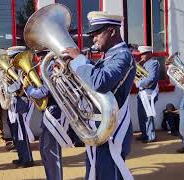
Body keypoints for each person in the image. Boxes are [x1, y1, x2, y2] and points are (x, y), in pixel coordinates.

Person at [63, 11, 136, 180]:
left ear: (112, 31)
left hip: (112, 129)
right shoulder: (109, 56)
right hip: (101, 126)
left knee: (108, 173)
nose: (93, 39)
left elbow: (100, 82)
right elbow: (90, 83)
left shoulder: (123, 55)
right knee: (96, 172)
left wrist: (79, 59)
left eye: (97, 33)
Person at [25, 52, 74, 180]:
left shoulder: (53, 66)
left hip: (55, 114)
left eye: (41, 56)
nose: (39, 59)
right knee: (45, 150)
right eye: (38, 56)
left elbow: (44, 92)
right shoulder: (46, 67)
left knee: (52, 151)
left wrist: (28, 89)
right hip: (48, 113)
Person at [6, 50, 34, 168]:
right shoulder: (13, 71)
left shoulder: (24, 70)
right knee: (16, 133)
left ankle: (27, 159)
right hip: (14, 104)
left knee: (22, 132)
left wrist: (9, 88)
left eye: (12, 58)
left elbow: (20, 86)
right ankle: (21, 156)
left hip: (22, 103)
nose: (11, 61)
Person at [135, 46, 160, 143]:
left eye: (143, 54)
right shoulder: (144, 63)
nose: (141, 56)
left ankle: (151, 136)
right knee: (141, 115)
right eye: (141, 54)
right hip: (142, 92)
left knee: (148, 115)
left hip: (149, 93)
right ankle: (144, 134)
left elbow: (151, 79)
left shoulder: (153, 63)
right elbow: (139, 76)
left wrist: (138, 83)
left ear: (150, 53)